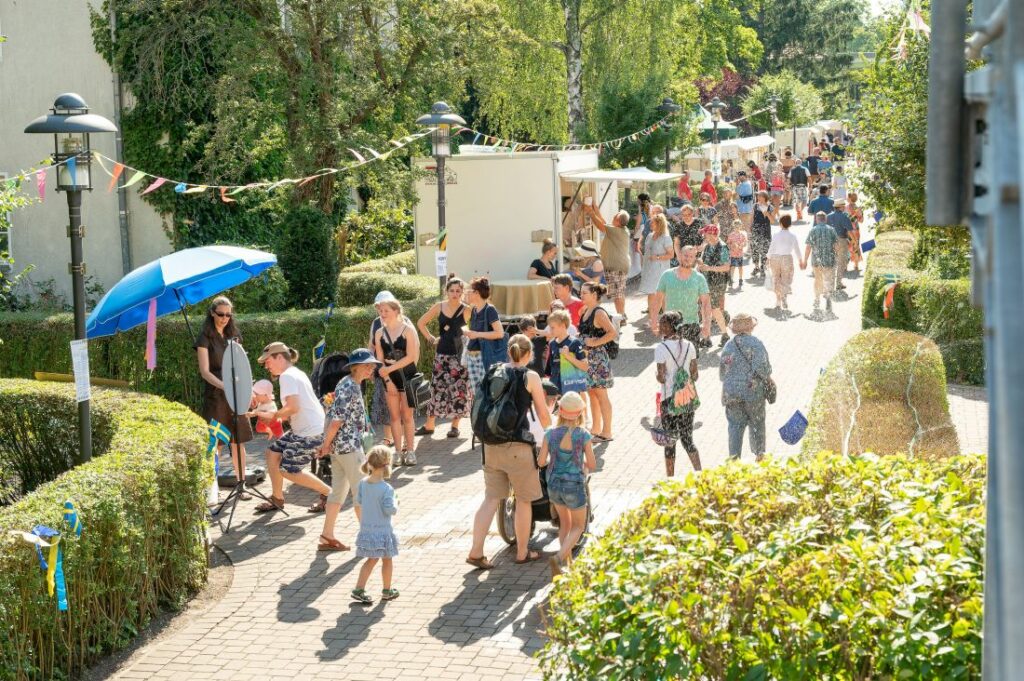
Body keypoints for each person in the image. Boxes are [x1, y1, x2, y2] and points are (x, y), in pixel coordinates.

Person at [466, 335, 553, 569]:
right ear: (529, 354)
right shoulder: (530, 376)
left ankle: (476, 551)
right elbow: (543, 416)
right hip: (517, 447)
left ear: (509, 351)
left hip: (490, 445)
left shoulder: (494, 370)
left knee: (491, 499)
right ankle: (523, 552)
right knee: (524, 501)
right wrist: (551, 434)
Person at [253, 342, 332, 514]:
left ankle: (330, 494)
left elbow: (293, 407)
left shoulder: (287, 376)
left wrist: (273, 416)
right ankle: (277, 498)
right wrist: (279, 415)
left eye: (268, 361)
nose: (266, 366)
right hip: (307, 429)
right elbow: (295, 408)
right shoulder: (295, 372)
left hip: (310, 433)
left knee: (289, 470)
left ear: (280, 357)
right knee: (272, 453)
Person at [316, 349, 381, 552]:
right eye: (368, 365)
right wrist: (325, 445)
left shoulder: (347, 383)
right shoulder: (351, 386)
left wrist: (328, 445)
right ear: (356, 367)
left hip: (341, 447)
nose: (372, 369)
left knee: (338, 492)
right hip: (349, 447)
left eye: (373, 365)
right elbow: (337, 420)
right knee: (360, 492)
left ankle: (327, 536)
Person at [195, 296, 253, 494]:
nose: (225, 318)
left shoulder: (234, 334)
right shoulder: (204, 337)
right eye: (221, 314)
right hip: (217, 397)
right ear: (212, 313)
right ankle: (212, 490)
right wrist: (224, 386)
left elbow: (242, 365)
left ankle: (241, 485)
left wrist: (246, 387)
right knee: (216, 443)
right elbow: (205, 372)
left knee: (238, 441)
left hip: (236, 394)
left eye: (228, 314)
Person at [537, 391, 596, 576]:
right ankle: (560, 558)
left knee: (565, 524)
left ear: (560, 411)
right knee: (578, 526)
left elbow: (540, 462)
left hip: (553, 484)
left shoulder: (550, 433)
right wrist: (583, 464)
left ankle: (567, 567)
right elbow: (592, 464)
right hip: (574, 485)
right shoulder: (583, 435)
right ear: (580, 413)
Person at [416, 277, 470, 439]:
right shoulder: (439, 307)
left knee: (459, 390)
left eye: (458, 291)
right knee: (437, 388)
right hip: (442, 355)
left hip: (459, 356)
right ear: (446, 291)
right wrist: (432, 339)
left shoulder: (467, 309)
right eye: (452, 290)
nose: (455, 294)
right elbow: (421, 323)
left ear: (462, 292)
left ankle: (455, 427)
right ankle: (429, 425)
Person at [349, 446, 400, 604]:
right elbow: (389, 510)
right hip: (383, 531)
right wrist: (396, 502)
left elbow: (360, 501)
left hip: (368, 529)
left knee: (371, 560)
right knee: (387, 559)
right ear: (387, 464)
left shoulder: (363, 483)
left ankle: (359, 588)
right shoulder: (387, 489)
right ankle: (387, 590)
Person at [373, 299, 421, 466]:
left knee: (407, 416)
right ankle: (398, 452)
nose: (383, 314)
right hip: (389, 378)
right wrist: (387, 379)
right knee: (394, 416)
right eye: (381, 311)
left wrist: (390, 369)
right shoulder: (379, 333)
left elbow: (411, 357)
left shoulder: (408, 330)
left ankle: (411, 451)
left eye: (386, 311)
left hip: (407, 376)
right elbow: (379, 360)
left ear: (396, 311)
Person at [719, 314, 772, 461]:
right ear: (751, 327)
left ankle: (734, 460)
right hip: (753, 392)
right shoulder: (756, 344)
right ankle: (759, 456)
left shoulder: (728, 346)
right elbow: (763, 368)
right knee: (757, 423)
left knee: (735, 427)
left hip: (732, 394)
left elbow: (722, 373)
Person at [655, 310, 701, 475]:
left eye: (663, 324)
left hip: (669, 399)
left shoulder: (661, 348)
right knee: (688, 439)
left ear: (671, 327)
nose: (660, 327)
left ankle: (670, 479)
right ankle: (700, 474)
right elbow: (695, 375)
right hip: (686, 398)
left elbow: (661, 378)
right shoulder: (690, 345)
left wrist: (660, 375)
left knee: (670, 441)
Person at [577, 282, 616, 440]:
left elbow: (612, 332)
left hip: (597, 359)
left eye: (584, 293)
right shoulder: (586, 311)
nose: (581, 295)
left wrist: (594, 343)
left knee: (601, 395)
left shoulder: (599, 313)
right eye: (581, 293)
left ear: (594, 294)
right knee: (592, 394)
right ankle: (596, 429)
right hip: (588, 359)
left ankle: (606, 432)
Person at [655, 245, 711, 350]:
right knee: (670, 361)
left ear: (695, 259)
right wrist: (654, 320)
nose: (688, 259)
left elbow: (706, 303)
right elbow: (658, 299)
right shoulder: (667, 275)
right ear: (680, 256)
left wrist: (706, 324)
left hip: (691, 325)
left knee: (691, 362)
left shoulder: (699, 278)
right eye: (686, 255)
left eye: (691, 256)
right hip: (670, 325)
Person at [583, 203, 631, 324]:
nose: (613, 217)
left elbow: (600, 226)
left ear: (618, 221)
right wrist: (596, 210)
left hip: (616, 266)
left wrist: (591, 213)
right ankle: (622, 315)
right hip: (618, 266)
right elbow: (604, 223)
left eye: (615, 217)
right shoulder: (620, 229)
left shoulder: (617, 231)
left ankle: (621, 318)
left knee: (617, 294)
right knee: (619, 293)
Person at [464, 276, 506, 398]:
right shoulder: (474, 310)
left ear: (477, 293)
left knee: (487, 393)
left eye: (469, 292)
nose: (466, 294)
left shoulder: (489, 310)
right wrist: (468, 332)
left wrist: (476, 334)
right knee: (476, 395)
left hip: (484, 356)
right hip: (472, 357)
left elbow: (500, 333)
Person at [696, 224, 731, 347]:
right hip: (706, 282)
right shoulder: (707, 245)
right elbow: (704, 262)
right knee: (706, 309)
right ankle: (709, 337)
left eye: (705, 233)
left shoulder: (722, 248)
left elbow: (726, 267)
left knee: (714, 309)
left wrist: (708, 268)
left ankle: (723, 335)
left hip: (717, 283)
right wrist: (700, 263)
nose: (703, 235)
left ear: (712, 234)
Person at [369, 291, 396, 446]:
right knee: (385, 403)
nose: (382, 310)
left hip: (398, 370)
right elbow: (371, 345)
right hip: (381, 368)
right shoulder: (375, 323)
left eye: (385, 307)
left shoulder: (402, 321)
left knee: (400, 407)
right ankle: (388, 437)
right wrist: (370, 367)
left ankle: (404, 440)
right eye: (379, 307)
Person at [639, 213, 675, 329]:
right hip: (649, 268)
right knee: (650, 293)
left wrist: (658, 257)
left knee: (662, 294)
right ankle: (651, 319)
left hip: (660, 269)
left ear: (659, 224)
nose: (650, 223)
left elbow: (671, 254)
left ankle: (666, 319)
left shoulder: (666, 237)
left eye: (652, 222)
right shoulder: (650, 235)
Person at [545, 309, 589, 395]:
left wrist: (568, 356)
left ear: (562, 326)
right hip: (555, 389)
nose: (550, 330)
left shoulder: (574, 342)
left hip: (571, 389)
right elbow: (549, 370)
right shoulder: (552, 343)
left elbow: (585, 367)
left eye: (552, 327)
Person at [803, 211, 839, 314]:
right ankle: (827, 298)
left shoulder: (813, 230)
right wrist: (837, 255)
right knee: (827, 279)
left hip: (816, 261)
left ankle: (817, 299)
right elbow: (836, 246)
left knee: (818, 280)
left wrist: (805, 260)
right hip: (829, 260)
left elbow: (808, 247)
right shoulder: (831, 230)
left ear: (816, 219)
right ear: (826, 219)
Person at [767, 214, 802, 311]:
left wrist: (767, 258)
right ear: (790, 225)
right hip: (787, 258)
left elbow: (772, 247)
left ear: (780, 224)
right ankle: (784, 297)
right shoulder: (793, 236)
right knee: (786, 279)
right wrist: (800, 260)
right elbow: (797, 249)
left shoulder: (776, 235)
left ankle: (778, 301)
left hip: (775, 258)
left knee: (776, 279)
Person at [827, 199, 854, 291]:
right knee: (841, 262)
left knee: (831, 262)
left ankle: (830, 284)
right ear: (841, 207)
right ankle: (838, 283)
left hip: (830, 240)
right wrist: (855, 241)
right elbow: (850, 230)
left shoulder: (828, 216)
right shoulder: (844, 216)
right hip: (841, 240)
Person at [750, 191, 775, 278]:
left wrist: (767, 214)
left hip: (765, 232)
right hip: (755, 231)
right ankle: (756, 267)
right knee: (755, 250)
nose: (758, 198)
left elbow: (772, 221)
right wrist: (750, 229)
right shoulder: (755, 206)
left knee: (765, 250)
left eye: (760, 196)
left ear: (765, 197)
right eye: (758, 196)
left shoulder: (770, 207)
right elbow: (751, 218)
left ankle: (763, 268)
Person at [727, 219, 749, 290]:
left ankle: (740, 279)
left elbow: (745, 243)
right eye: (736, 226)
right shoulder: (731, 235)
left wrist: (741, 245)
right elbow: (728, 243)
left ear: (741, 226)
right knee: (732, 267)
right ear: (733, 226)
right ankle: (731, 279)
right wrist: (732, 246)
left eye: (738, 226)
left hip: (739, 254)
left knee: (740, 267)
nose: (737, 228)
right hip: (733, 254)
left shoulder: (742, 235)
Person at [847, 192, 864, 273]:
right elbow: (861, 221)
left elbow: (845, 220)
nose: (846, 198)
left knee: (847, 246)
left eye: (847, 197)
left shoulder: (846, 208)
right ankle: (856, 265)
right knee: (856, 245)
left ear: (850, 198)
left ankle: (845, 265)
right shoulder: (858, 208)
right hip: (856, 230)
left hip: (848, 230)